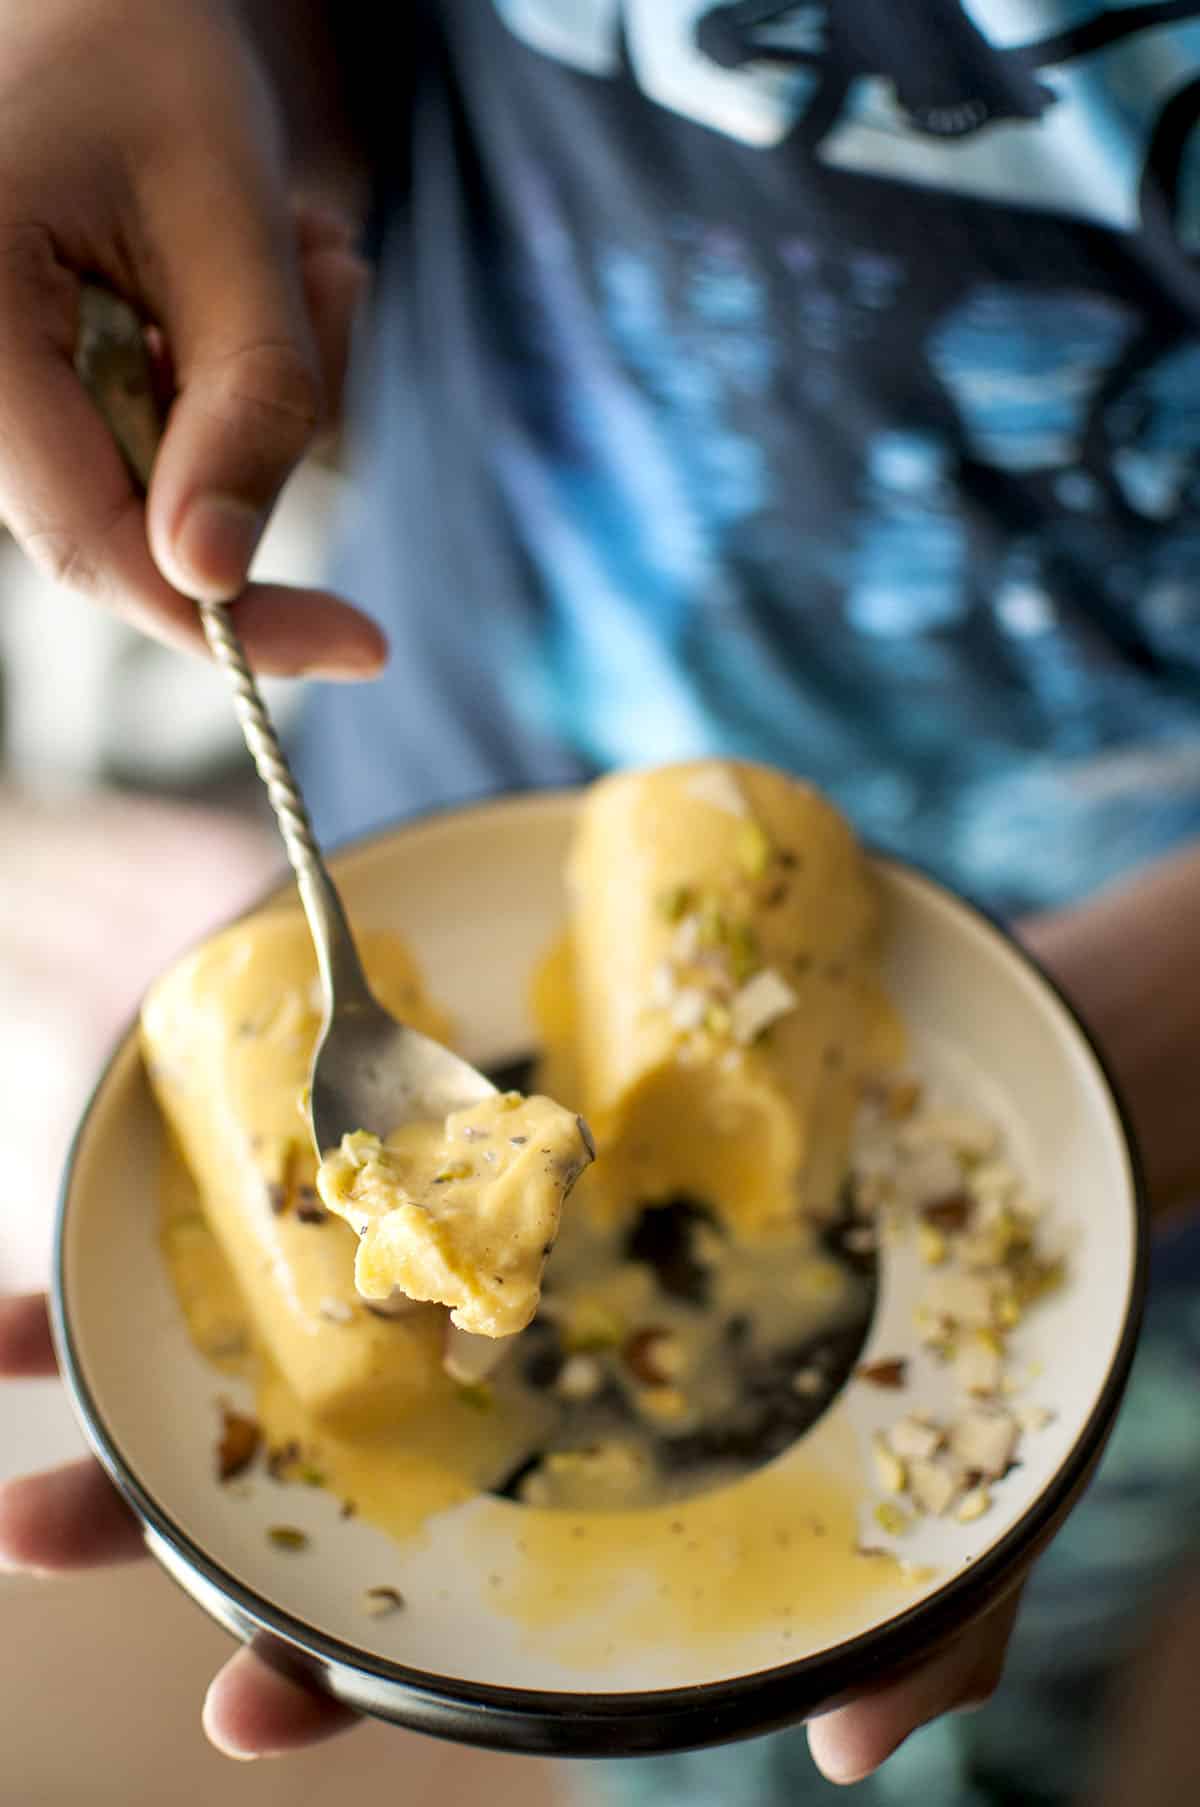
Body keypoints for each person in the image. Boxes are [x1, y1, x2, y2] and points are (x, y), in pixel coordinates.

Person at [4, 2, 1200, 1799]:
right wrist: (147, 43)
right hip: (459, 790)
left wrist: (1135, 1060)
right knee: (655, 1724)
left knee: (940, 1719)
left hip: (1148, 1125)